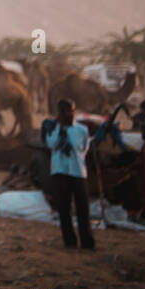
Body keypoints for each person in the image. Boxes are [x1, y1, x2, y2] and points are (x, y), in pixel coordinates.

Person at [43, 98, 95, 250]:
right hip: (60, 172)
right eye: (66, 111)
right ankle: (70, 241)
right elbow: (51, 145)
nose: (69, 114)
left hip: (78, 172)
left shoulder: (81, 130)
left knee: (83, 209)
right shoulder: (52, 128)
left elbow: (84, 149)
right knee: (64, 209)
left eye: (72, 111)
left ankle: (87, 241)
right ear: (59, 113)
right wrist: (60, 129)